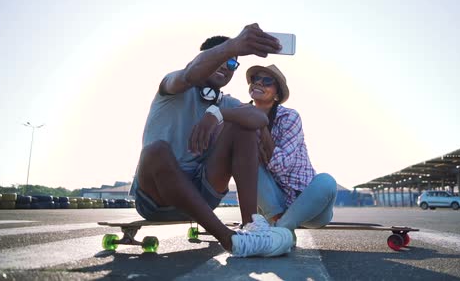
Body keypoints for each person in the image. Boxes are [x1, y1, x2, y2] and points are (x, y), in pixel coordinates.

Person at [129, 24, 294, 257]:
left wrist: (217, 113)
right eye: (222, 57)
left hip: (202, 194)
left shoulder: (225, 102)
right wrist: (233, 46)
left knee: (243, 126)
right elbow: (189, 75)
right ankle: (230, 240)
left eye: (232, 63)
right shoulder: (172, 86)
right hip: (156, 198)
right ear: (204, 58)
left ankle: (252, 227)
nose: (226, 67)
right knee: (155, 151)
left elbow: (258, 116)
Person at [246, 64, 337, 241]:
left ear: (277, 94)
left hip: (309, 205)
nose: (259, 83)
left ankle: (280, 231)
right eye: (255, 79)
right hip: (273, 207)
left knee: (327, 181)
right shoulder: (243, 115)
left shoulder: (289, 117)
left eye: (267, 81)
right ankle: (283, 230)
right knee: (246, 163)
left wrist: (261, 125)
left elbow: (281, 166)